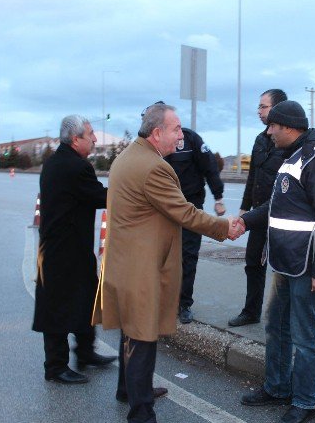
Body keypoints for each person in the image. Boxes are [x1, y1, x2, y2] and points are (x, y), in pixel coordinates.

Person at [92, 103, 243, 423]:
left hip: (125, 262)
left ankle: (130, 390)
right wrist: (224, 227)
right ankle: (141, 412)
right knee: (142, 338)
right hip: (141, 268)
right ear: (157, 132)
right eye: (176, 129)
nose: (181, 136)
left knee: (131, 334)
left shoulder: (128, 157)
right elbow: (184, 212)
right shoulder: (154, 167)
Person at [237, 100, 315, 423]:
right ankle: (277, 386)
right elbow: (277, 205)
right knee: (277, 326)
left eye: (272, 126)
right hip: (285, 260)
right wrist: (245, 221)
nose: (268, 132)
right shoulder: (293, 157)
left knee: (306, 335)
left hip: (308, 265)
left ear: (288, 127)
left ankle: (305, 400)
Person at [32, 115, 115, 384]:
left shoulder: (56, 162)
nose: (94, 139)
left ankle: (86, 352)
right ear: (75, 138)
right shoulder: (75, 167)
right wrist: (133, 191)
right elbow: (101, 197)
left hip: (67, 248)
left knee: (85, 299)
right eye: (90, 134)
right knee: (58, 308)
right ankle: (55, 367)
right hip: (63, 252)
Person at [161, 101, 226, 324]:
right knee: (162, 255)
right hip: (164, 208)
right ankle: (164, 300)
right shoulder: (151, 144)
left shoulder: (190, 140)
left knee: (188, 255)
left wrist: (218, 198)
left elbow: (210, 167)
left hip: (190, 205)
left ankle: (184, 303)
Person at [229, 88, 288, 327]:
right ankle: (251, 311)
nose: (259, 111)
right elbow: (253, 176)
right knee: (253, 262)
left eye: (263, 106)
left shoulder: (289, 143)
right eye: (259, 107)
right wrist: (245, 209)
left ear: (277, 108)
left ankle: (283, 315)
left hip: (283, 216)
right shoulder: (259, 140)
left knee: (285, 267)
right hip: (258, 215)